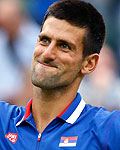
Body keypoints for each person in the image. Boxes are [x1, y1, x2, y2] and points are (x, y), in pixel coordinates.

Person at [0, 0, 120, 149]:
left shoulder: (108, 129)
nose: (47, 53)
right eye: (44, 40)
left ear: (89, 64)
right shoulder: (3, 121)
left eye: (64, 46)